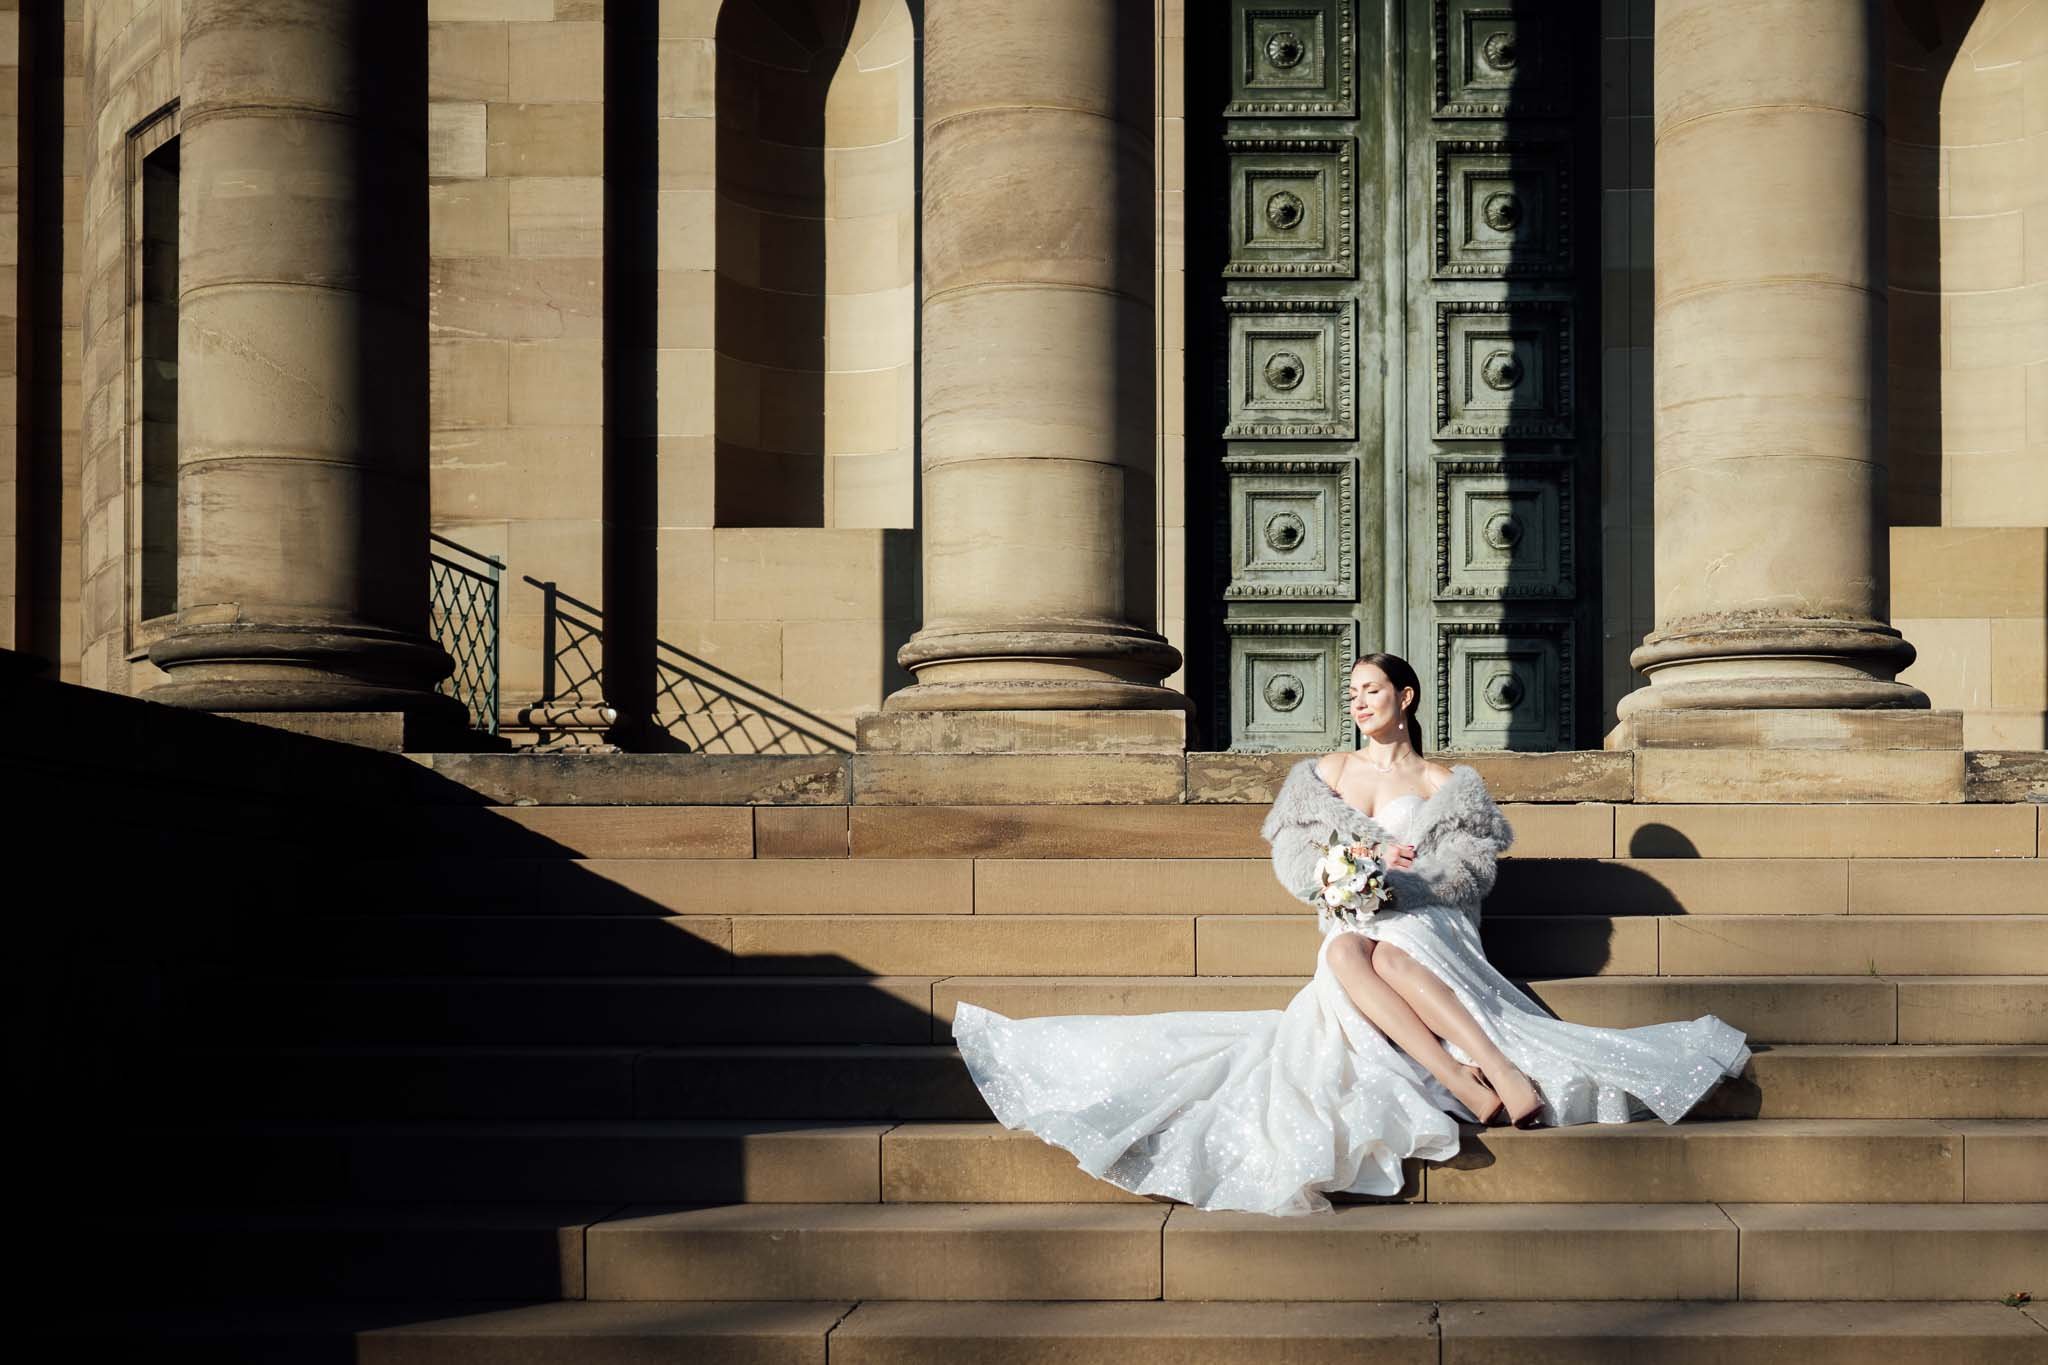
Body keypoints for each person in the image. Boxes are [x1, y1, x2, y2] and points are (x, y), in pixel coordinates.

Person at [951, 651, 1750, 1216]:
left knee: (1384, 947)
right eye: (1352, 690)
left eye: (1371, 688)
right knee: (1341, 950)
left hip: (1427, 925)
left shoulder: (1449, 786)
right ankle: (1474, 1081)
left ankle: (1503, 1069)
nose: (1358, 700)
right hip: (1353, 920)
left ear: (1405, 696)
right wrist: (1354, 863)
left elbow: (1468, 877)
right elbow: (1297, 862)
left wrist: (1407, 874)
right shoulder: (1324, 775)